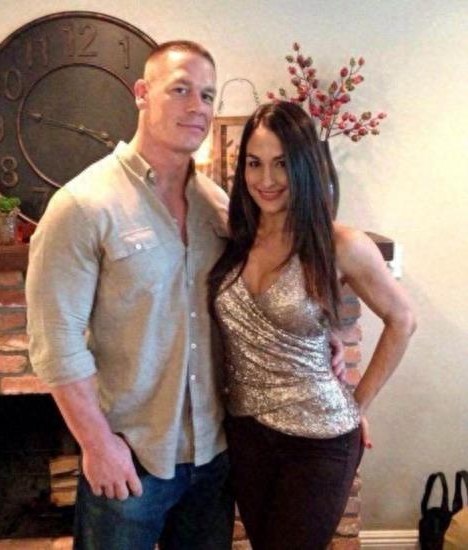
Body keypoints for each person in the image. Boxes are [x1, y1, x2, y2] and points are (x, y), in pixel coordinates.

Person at [26, 41, 345, 550]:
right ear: (141, 93)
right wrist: (97, 444)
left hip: (213, 460)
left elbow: (256, 291)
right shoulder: (83, 206)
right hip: (131, 459)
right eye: (180, 90)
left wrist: (316, 337)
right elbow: (55, 342)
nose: (197, 106)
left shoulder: (217, 204)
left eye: (207, 95)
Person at [209, 100, 416, 550]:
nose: (266, 179)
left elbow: (402, 319)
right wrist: (329, 335)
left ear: (304, 164)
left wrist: (359, 405)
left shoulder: (339, 242)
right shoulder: (234, 235)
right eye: (254, 163)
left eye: (282, 163)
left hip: (320, 440)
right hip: (246, 434)